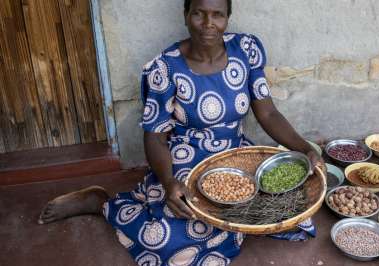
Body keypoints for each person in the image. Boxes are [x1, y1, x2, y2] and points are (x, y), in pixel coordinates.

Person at [38, 0, 324, 265]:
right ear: (186, 15)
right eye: (198, 13)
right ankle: (102, 203)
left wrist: (304, 148)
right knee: (167, 237)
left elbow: (268, 113)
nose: (207, 23)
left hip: (236, 155)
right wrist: (168, 181)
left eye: (218, 15)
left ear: (228, 18)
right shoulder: (166, 67)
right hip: (187, 157)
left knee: (292, 213)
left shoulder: (245, 50)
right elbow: (155, 136)